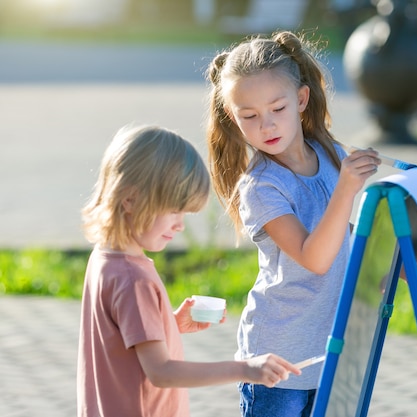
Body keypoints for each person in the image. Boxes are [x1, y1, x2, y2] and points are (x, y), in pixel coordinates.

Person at [205, 31, 381, 416]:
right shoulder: (261, 187)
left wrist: (387, 263)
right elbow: (313, 257)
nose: (266, 126)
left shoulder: (331, 155)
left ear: (301, 100)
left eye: (277, 109)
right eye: (249, 116)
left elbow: (339, 234)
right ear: (233, 120)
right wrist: (347, 190)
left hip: (331, 349)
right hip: (277, 360)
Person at [77, 124, 300, 417]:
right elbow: (162, 372)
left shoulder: (104, 259)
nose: (180, 225)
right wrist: (246, 368)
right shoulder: (134, 279)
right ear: (129, 199)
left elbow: (121, 341)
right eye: (173, 210)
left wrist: (168, 324)